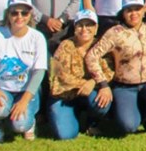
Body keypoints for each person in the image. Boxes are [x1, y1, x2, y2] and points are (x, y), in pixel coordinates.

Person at [85, 0, 146, 136]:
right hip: (124, 85)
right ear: (123, 13)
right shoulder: (114, 33)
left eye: (137, 9)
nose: (133, 13)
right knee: (128, 126)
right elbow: (92, 56)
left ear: (143, 11)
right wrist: (103, 83)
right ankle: (122, 112)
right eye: (129, 10)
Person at [0, 0, 48, 146]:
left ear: (30, 15)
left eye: (24, 12)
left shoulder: (37, 37)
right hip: (2, 88)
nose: (19, 16)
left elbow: (39, 72)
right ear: (7, 14)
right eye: (14, 12)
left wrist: (24, 100)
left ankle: (29, 122)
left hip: (25, 90)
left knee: (20, 124)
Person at [47, 9, 112, 140]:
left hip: (90, 92)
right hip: (65, 96)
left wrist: (93, 82)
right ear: (74, 27)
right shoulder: (65, 45)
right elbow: (58, 75)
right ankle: (73, 115)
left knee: (102, 102)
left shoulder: (101, 46)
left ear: (96, 27)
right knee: (65, 135)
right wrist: (84, 84)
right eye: (80, 25)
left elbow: (109, 70)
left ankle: (91, 121)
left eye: (89, 25)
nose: (84, 29)